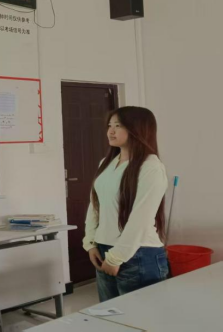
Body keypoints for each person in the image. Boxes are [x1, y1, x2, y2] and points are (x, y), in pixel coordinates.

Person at [83, 106, 169, 302]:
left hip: (138, 255)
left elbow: (141, 219)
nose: (111, 131)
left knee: (141, 317)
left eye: (118, 126)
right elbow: (95, 205)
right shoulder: (106, 163)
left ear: (137, 129)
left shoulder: (151, 167)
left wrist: (116, 257)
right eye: (109, 125)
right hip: (105, 250)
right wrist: (90, 243)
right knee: (110, 316)